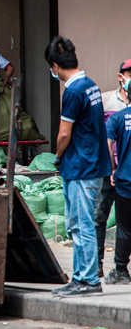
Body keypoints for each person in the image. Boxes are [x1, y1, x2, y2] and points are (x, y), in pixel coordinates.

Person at [45, 36, 109, 297]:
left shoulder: (72, 91)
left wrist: (57, 156)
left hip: (80, 167)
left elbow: (63, 133)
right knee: (80, 225)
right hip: (92, 164)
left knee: (81, 226)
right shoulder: (90, 85)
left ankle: (88, 279)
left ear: (55, 66)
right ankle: (81, 277)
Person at [95, 59, 131, 276]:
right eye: (129, 73)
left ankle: (120, 268)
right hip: (110, 170)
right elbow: (99, 135)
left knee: (125, 222)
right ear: (121, 77)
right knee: (100, 214)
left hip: (125, 173)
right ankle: (98, 264)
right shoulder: (105, 101)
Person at [104, 74, 131, 285]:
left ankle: (121, 271)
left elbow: (107, 144)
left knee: (124, 227)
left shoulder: (117, 118)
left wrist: (113, 170)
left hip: (125, 182)